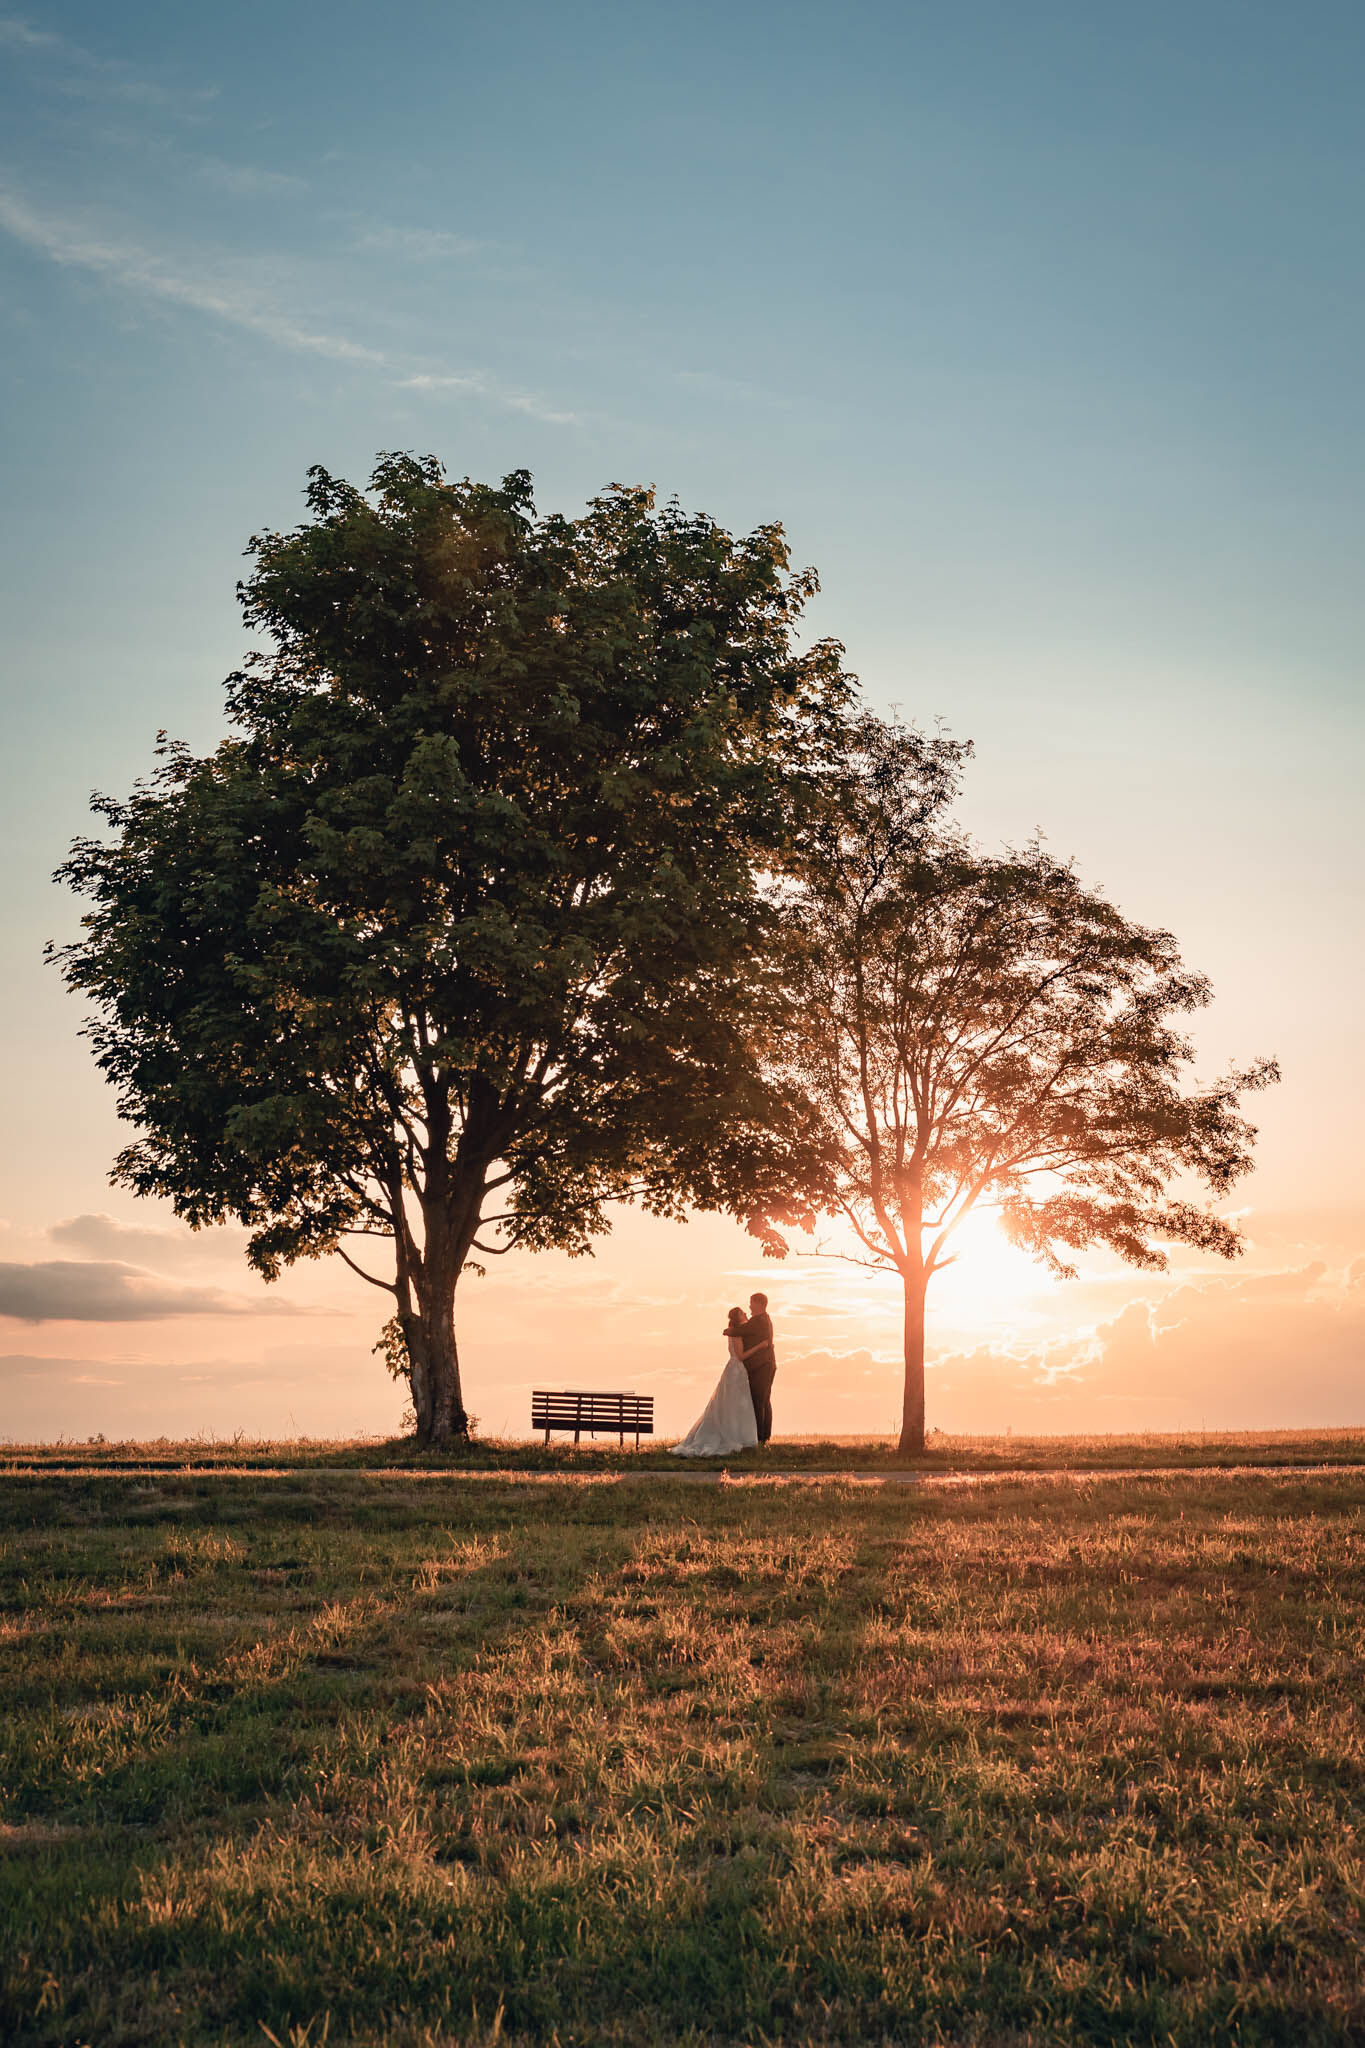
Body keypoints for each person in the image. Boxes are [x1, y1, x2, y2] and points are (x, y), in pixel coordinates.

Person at [670, 1306, 759, 1457]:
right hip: (736, 1371)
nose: (746, 1313)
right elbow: (741, 1356)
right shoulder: (736, 1335)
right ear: (738, 1318)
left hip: (734, 1370)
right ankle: (732, 1436)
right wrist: (759, 1347)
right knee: (734, 1406)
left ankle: (737, 1435)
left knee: (733, 1406)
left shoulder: (735, 1332)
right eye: (742, 1313)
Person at [738, 1291, 776, 1444]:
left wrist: (728, 1329)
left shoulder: (758, 1320)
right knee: (764, 1400)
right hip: (766, 1366)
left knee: (759, 1400)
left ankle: (760, 1437)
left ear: (759, 1304)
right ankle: (764, 1436)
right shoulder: (764, 1319)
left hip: (762, 1367)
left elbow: (740, 1330)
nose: (749, 1306)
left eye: (752, 1303)